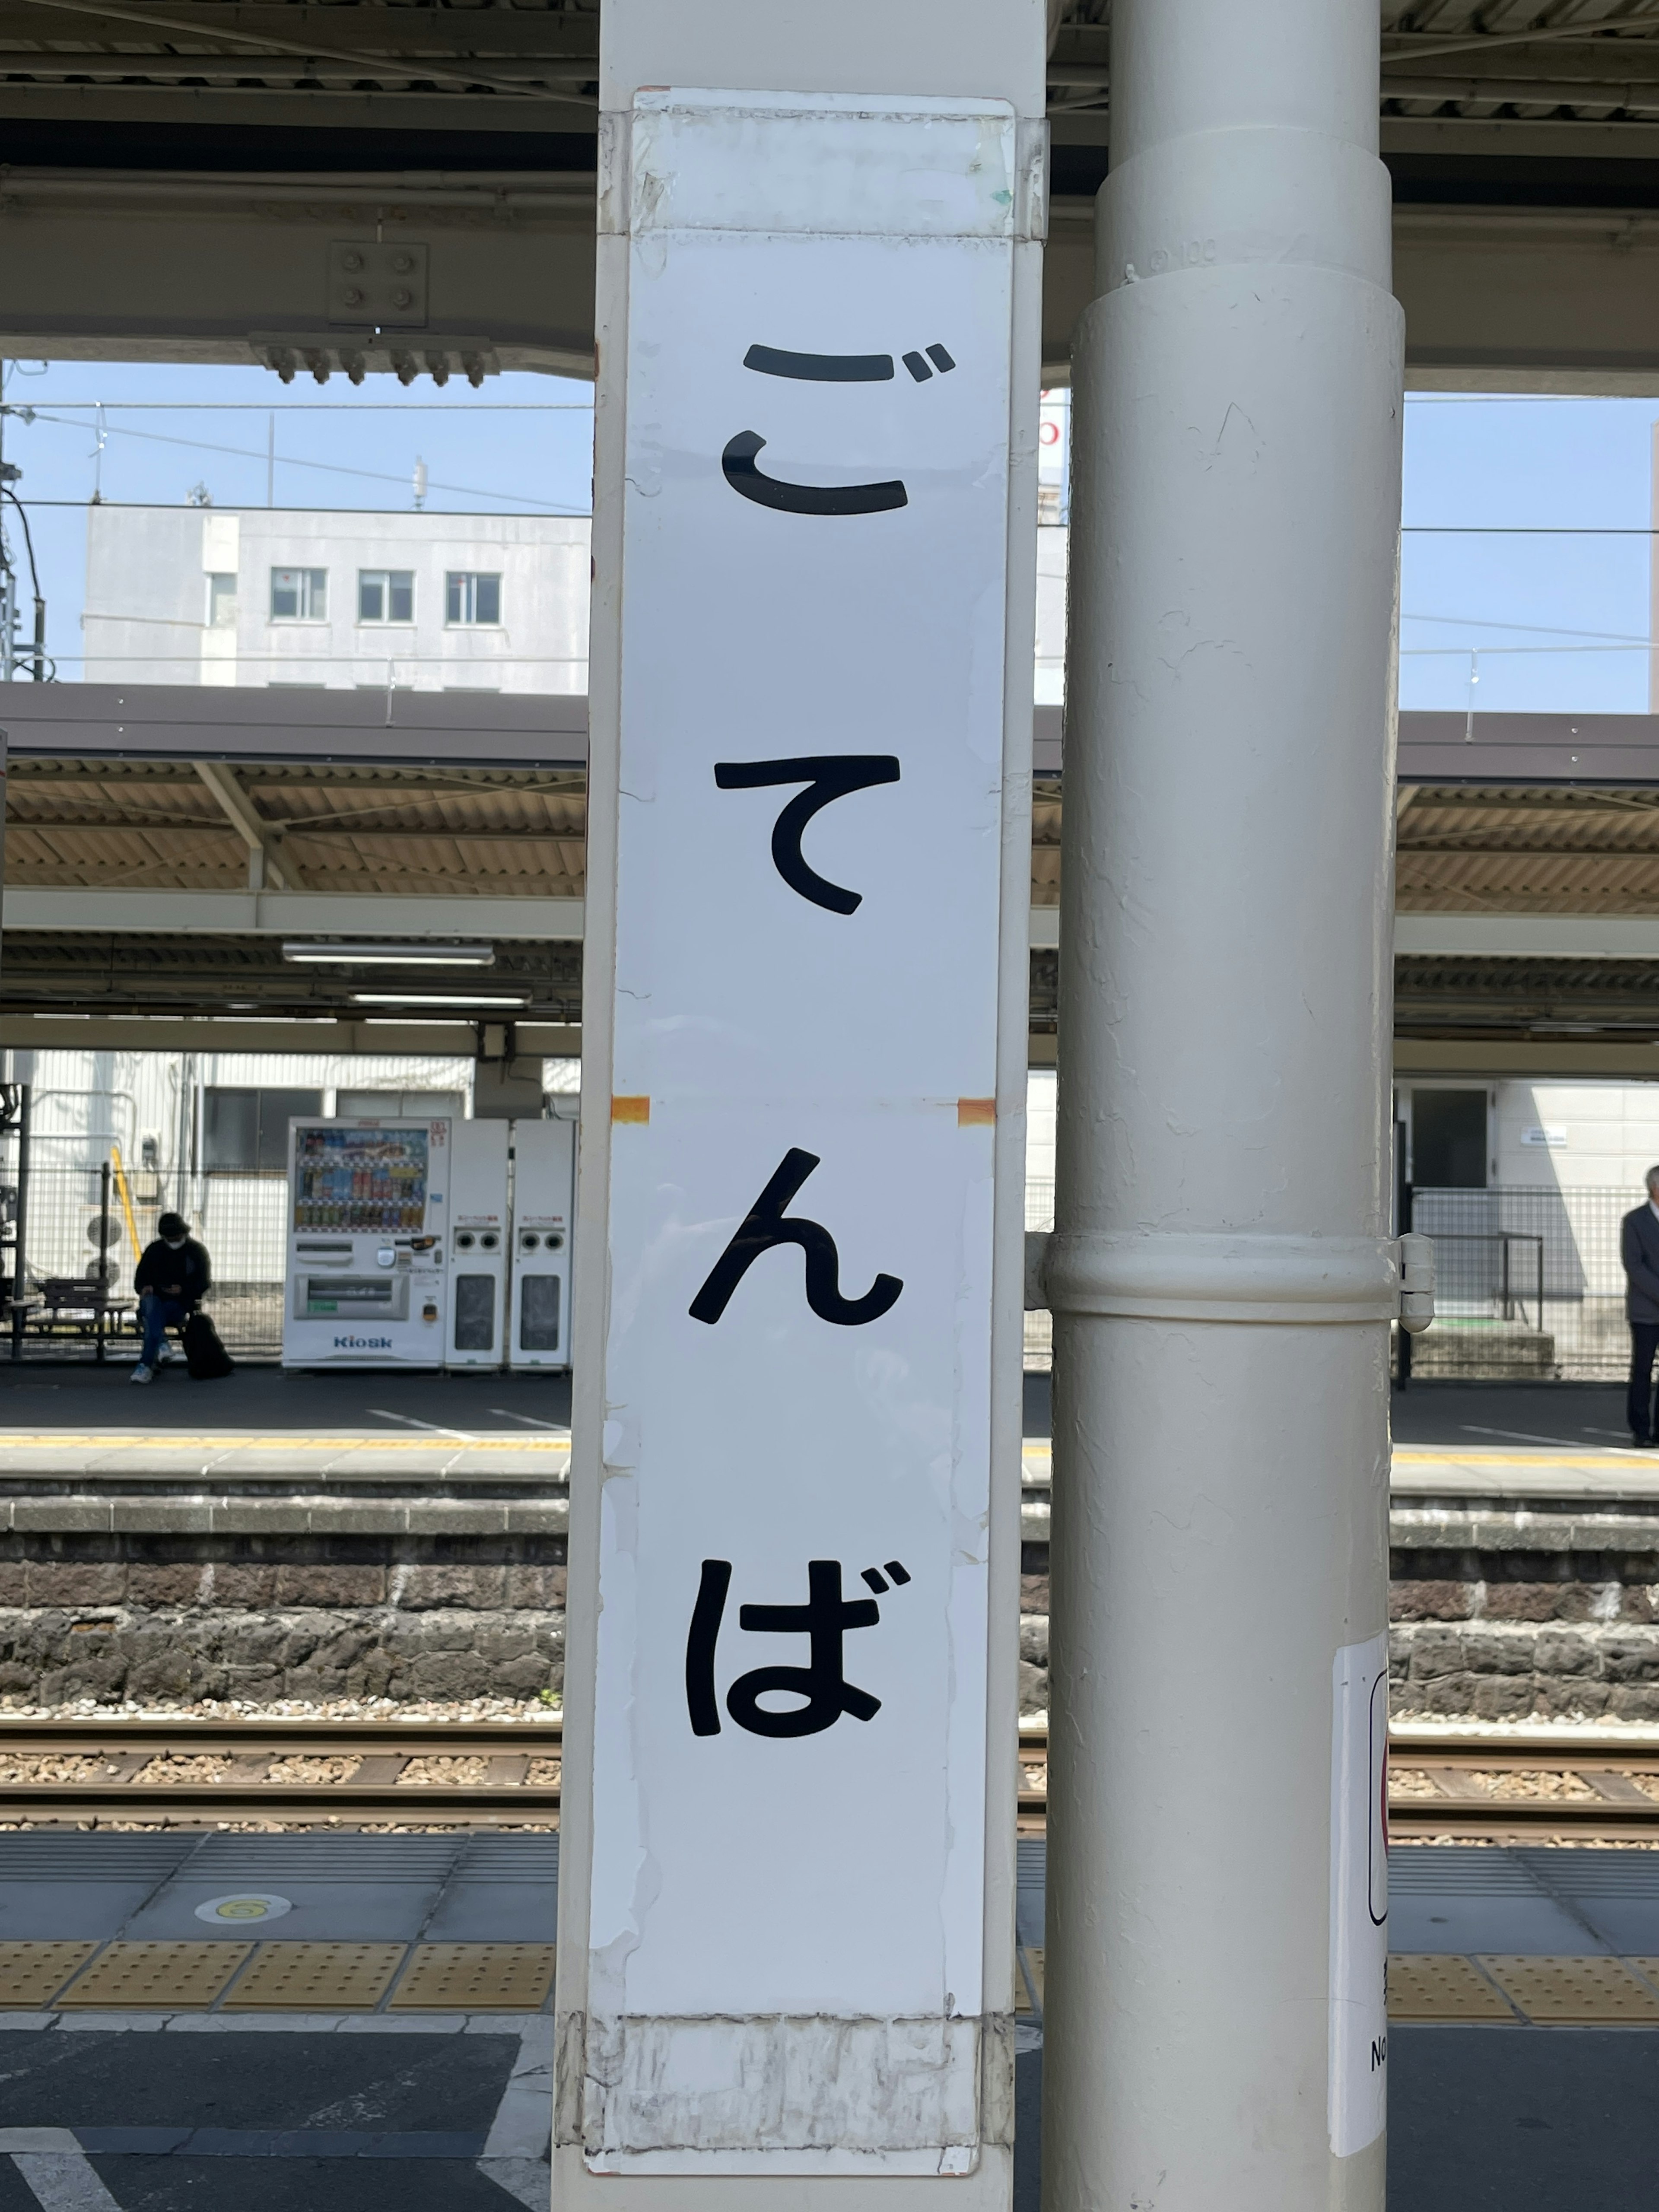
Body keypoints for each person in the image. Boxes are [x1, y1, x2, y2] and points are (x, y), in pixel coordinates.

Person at [130, 1211, 211, 1385]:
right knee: (152, 1308)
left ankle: (148, 1362)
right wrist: (144, 1288)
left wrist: (183, 1290)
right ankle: (157, 1350)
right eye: (170, 1238)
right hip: (154, 1300)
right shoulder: (155, 1250)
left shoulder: (195, 1252)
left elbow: (203, 1282)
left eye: (175, 1237)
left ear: (183, 1233)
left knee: (152, 1317)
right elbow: (140, 1279)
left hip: (178, 1304)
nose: (173, 1241)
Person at [1622, 1169, 1659, 1445]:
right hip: (1646, 1310)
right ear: (1654, 1189)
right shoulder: (1635, 1221)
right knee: (1643, 1371)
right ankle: (1640, 1430)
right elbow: (1634, 1266)